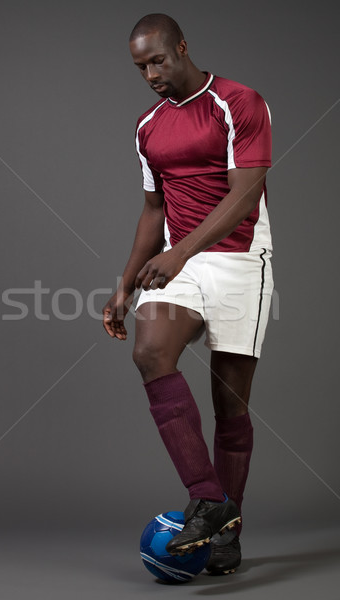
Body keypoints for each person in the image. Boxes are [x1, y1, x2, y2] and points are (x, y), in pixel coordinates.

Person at [103, 13, 273, 575]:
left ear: (181, 47)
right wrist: (125, 283)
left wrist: (181, 251)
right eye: (140, 67)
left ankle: (228, 532)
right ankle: (207, 497)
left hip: (243, 258)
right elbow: (154, 210)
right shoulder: (148, 125)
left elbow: (244, 198)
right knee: (150, 353)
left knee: (231, 406)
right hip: (184, 261)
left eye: (157, 60)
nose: (150, 74)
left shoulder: (239, 102)